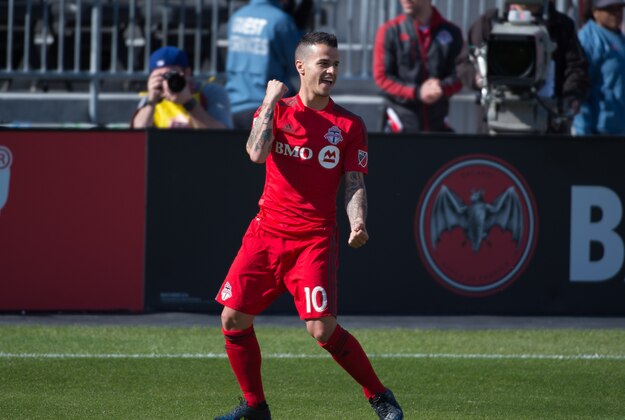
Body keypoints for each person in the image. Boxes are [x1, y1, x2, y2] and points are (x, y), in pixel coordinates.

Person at [214, 32, 404, 420]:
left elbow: (354, 182)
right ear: (301, 67)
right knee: (232, 318)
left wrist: (358, 222)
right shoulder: (277, 110)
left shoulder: (348, 125)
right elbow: (255, 153)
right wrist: (269, 101)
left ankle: (380, 396)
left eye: (336, 63)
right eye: (324, 63)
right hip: (265, 233)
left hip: (313, 239)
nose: (331, 70)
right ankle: (255, 408)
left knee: (321, 330)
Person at [460, 0, 589, 133]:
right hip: (496, 118)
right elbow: (465, 62)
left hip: (546, 120)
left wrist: (569, 98)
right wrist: (478, 77)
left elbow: (576, 67)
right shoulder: (490, 21)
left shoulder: (561, 25)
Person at [373, 0, 466, 133]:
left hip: (438, 128)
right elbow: (382, 78)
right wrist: (416, 92)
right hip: (398, 130)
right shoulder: (390, 31)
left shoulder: (452, 32)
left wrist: (440, 88)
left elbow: (461, 75)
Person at [225, 0, 302, 130]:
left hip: (233, 104)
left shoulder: (237, 17)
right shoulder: (281, 20)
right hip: (269, 106)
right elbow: (298, 64)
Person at [131, 46, 232, 129]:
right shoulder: (152, 96)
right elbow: (137, 136)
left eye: (171, 75)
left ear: (187, 73)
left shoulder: (210, 92)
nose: (166, 82)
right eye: (160, 76)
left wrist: (188, 102)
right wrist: (151, 102)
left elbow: (221, 135)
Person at [573, 0, 625, 135]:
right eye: (610, 10)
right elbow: (580, 88)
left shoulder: (620, 38)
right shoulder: (588, 39)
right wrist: (583, 132)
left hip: (618, 129)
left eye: (619, 9)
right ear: (595, 12)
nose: (617, 14)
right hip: (599, 131)